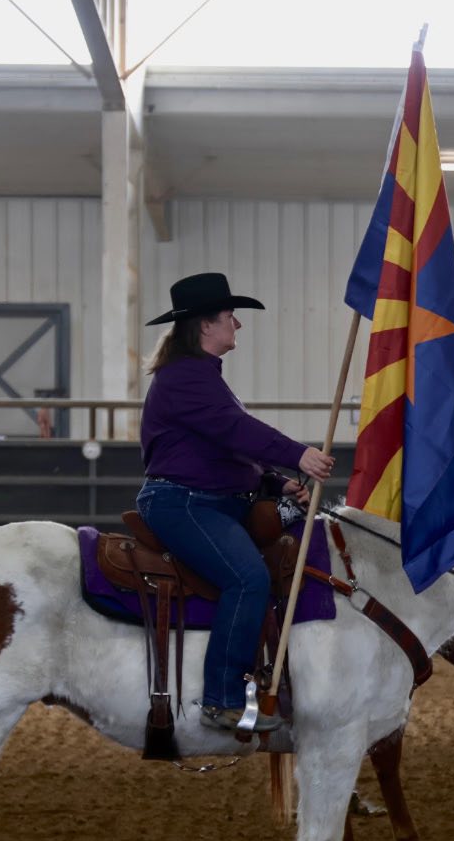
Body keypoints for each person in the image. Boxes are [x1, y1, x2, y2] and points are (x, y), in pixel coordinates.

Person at [137, 272, 336, 732]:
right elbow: (235, 431)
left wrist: (273, 482)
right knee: (248, 579)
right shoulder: (187, 377)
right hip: (186, 503)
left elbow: (221, 447)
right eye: (231, 317)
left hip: (207, 501)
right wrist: (298, 454)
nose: (237, 326)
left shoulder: (196, 376)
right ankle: (222, 699)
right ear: (206, 326)